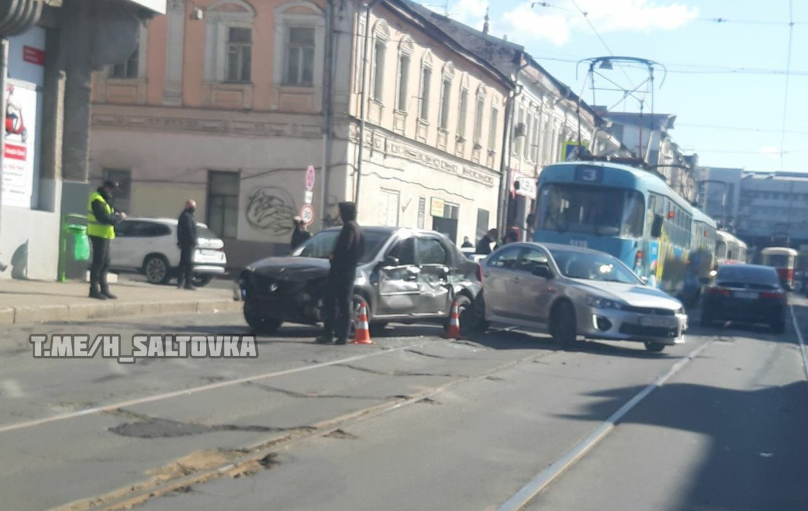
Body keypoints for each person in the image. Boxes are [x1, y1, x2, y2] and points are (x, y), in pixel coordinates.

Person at [317, 202, 364, 345]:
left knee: (331, 303)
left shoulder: (349, 227)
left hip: (340, 271)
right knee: (345, 303)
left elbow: (345, 246)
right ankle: (343, 335)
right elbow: (361, 250)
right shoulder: (358, 228)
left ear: (345, 213)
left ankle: (329, 334)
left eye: (341, 212)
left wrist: (334, 256)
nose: (339, 215)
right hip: (349, 270)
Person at [87, 180, 126, 300]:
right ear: (106, 188)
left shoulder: (104, 199)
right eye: (112, 190)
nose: (112, 193)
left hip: (105, 235)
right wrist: (119, 217)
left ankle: (104, 289)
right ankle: (94, 290)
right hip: (97, 234)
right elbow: (104, 218)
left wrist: (117, 213)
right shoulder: (97, 199)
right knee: (98, 263)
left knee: (105, 263)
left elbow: (110, 211)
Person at [176, 199, 198, 290]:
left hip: (185, 242)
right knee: (188, 263)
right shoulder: (186, 216)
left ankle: (180, 282)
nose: (194, 209)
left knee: (183, 262)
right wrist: (193, 241)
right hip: (187, 243)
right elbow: (188, 230)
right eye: (192, 207)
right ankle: (187, 283)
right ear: (188, 206)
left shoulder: (188, 215)